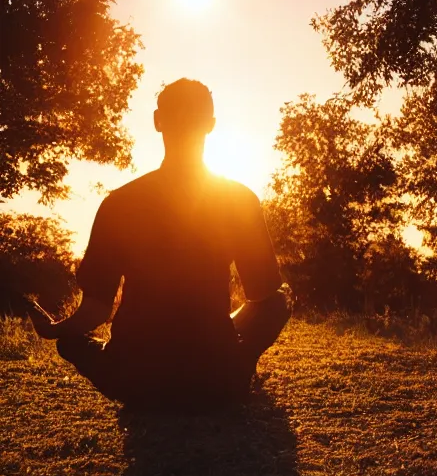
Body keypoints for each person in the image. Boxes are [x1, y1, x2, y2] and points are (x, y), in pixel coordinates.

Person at [26, 79, 289, 411]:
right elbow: (263, 297)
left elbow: (96, 310)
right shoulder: (238, 199)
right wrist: (223, 332)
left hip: (137, 379)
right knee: (278, 301)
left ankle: (211, 364)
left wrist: (54, 330)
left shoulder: (120, 203)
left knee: (71, 343)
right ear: (210, 125)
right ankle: (234, 367)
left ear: (157, 120)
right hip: (214, 380)